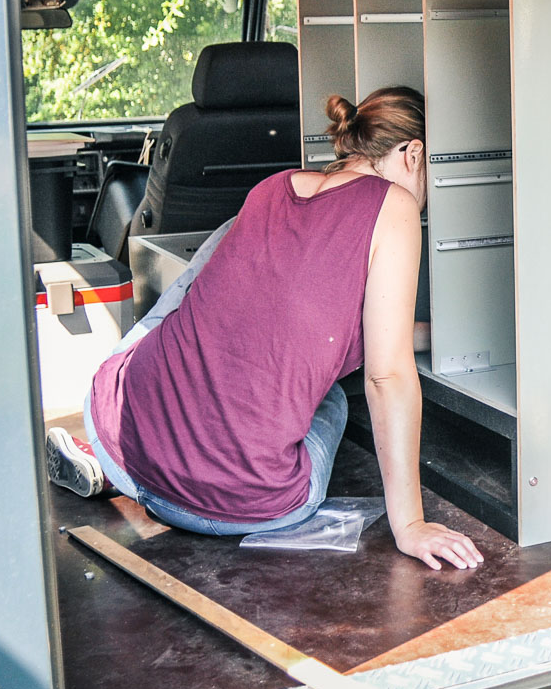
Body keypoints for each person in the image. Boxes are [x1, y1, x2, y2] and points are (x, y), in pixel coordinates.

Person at [46, 86, 483, 571]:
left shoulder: (271, 188)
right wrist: (411, 525)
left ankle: (111, 470)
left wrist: (451, 336)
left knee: (191, 298)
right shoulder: (395, 205)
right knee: (331, 395)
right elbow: (386, 375)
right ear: (414, 152)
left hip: (119, 441)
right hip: (242, 506)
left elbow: (355, 325)